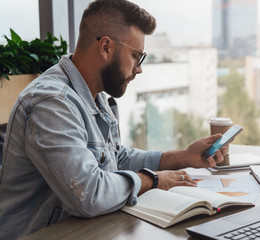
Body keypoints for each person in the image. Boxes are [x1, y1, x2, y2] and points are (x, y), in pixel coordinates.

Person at [0, 0, 227, 239]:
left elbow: (114, 159)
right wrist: (153, 180)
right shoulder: (50, 103)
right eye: (136, 56)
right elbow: (89, 194)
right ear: (106, 47)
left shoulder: (94, 96)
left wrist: (183, 157)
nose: (139, 69)